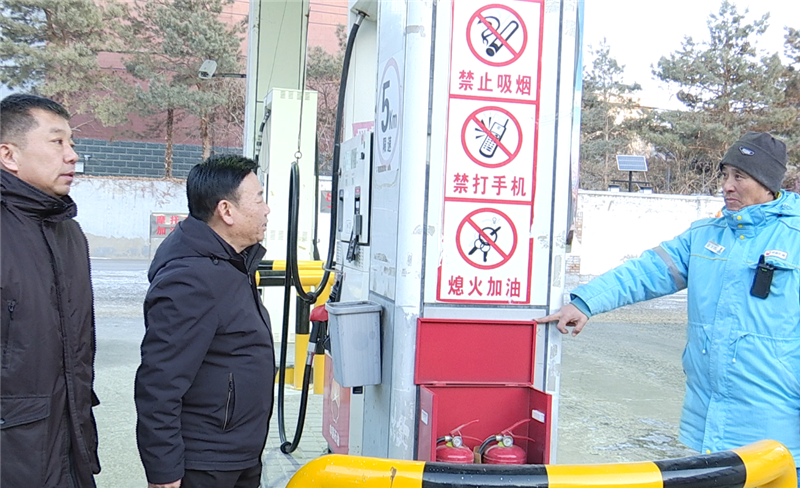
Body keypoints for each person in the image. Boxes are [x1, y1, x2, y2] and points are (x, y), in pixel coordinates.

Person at [541, 132, 800, 473]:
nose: (727, 186)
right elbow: (645, 272)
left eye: (740, 176)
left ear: (767, 184)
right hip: (707, 426)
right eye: (725, 175)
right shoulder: (705, 235)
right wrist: (586, 302)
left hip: (778, 434)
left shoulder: (794, 240)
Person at [135, 155, 275, 488]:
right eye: (258, 199)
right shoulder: (191, 278)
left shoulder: (231, 263)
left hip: (237, 453)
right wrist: (164, 468)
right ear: (226, 211)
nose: (267, 209)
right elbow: (159, 382)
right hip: (206, 463)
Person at [0, 94, 101, 486]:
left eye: (72, 143)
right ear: (9, 155)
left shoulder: (68, 231)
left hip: (70, 449)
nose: (72, 155)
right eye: (57, 141)